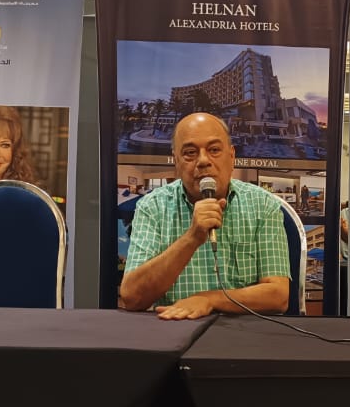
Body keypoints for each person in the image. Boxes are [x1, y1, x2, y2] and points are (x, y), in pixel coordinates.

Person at [119, 112, 290, 319]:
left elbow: (278, 296)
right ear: (176, 162)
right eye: (190, 153)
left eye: (214, 150)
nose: (203, 161)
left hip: (243, 331)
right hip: (175, 328)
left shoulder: (263, 204)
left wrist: (209, 300)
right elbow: (132, 297)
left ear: (232, 157)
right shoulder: (152, 206)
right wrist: (192, 238)